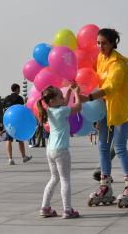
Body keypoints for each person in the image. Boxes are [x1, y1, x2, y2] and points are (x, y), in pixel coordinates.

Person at [86, 28, 128, 208]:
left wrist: (87, 98)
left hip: (121, 111)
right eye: (98, 43)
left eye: (104, 43)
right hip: (105, 109)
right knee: (102, 146)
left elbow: (111, 87)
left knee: (119, 147)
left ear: (112, 43)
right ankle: (105, 186)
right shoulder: (100, 59)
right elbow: (92, 76)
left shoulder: (119, 63)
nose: (100, 46)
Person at [37, 85, 81, 219]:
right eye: (60, 96)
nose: (63, 98)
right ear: (52, 101)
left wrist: (67, 92)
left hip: (50, 150)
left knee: (54, 178)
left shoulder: (49, 110)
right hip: (61, 150)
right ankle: (67, 210)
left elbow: (63, 103)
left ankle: (45, 207)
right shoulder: (61, 111)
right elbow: (78, 107)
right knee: (65, 179)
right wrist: (76, 94)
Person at [3, 83, 32, 164]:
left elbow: (4, 110)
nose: (19, 91)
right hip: (18, 122)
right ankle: (24, 157)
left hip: (8, 121)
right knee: (20, 139)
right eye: (19, 89)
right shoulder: (19, 98)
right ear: (16, 89)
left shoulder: (6, 98)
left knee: (8, 140)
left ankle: (10, 159)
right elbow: (22, 110)